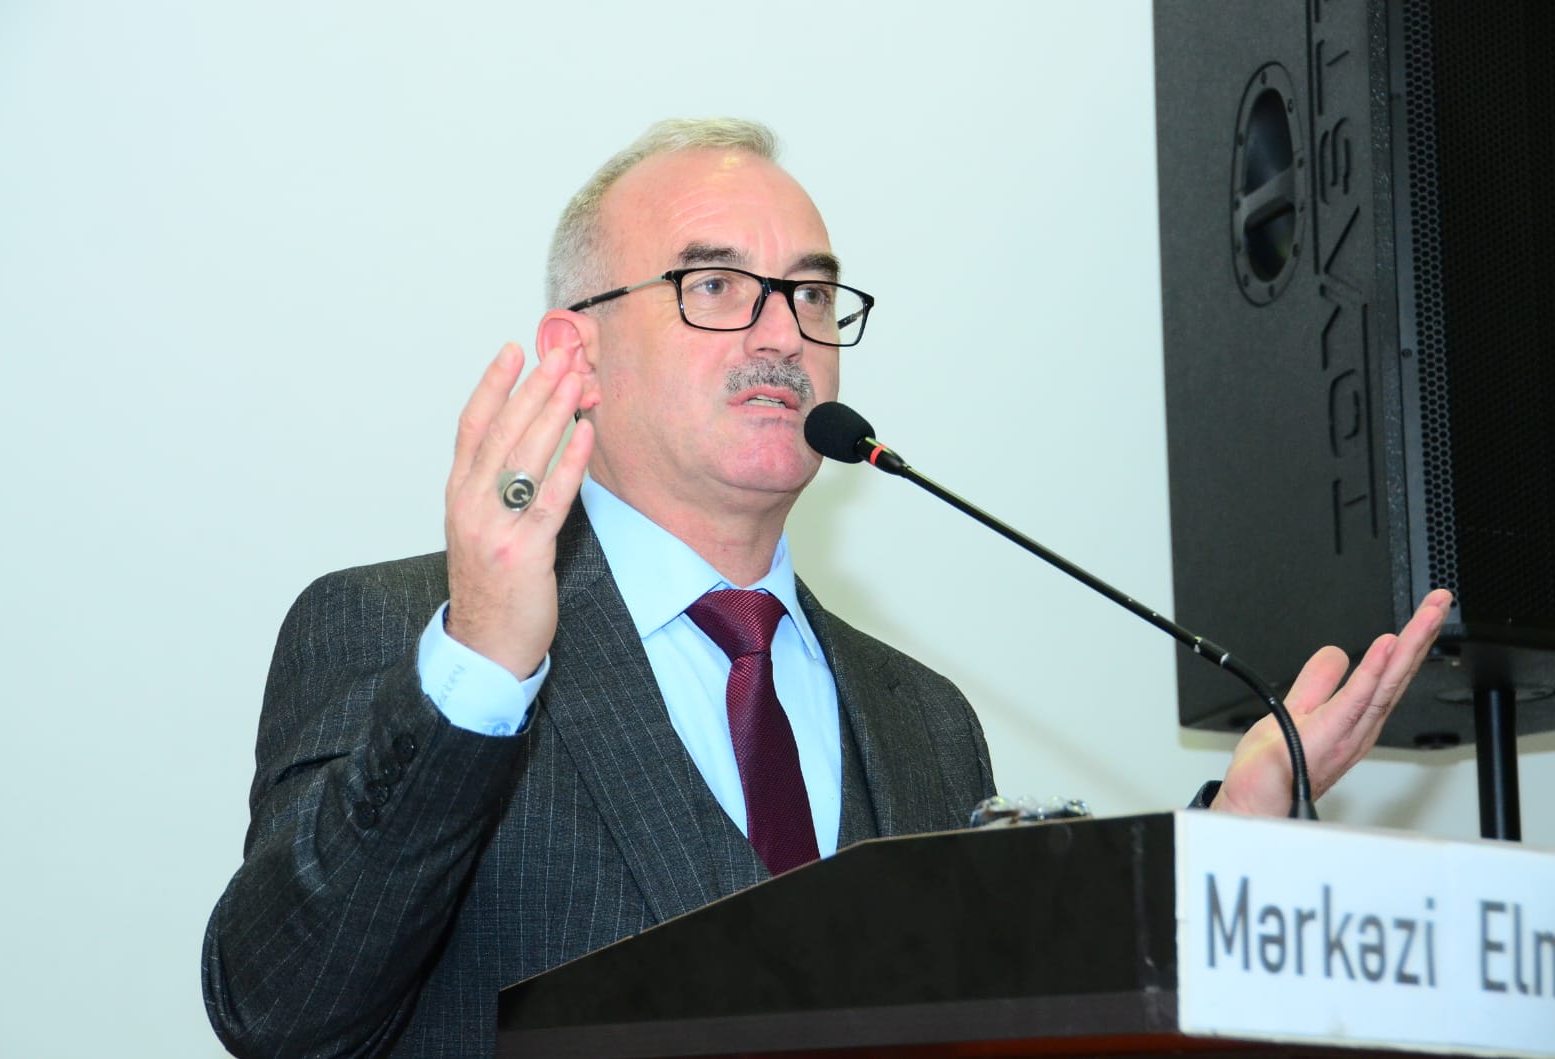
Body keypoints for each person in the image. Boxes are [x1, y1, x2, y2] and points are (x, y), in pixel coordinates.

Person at [201, 118, 1452, 1058]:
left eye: (809, 291)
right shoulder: (395, 633)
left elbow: (1002, 1016)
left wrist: (1218, 863)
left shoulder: (923, 718)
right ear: (576, 353)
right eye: (712, 286)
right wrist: (481, 666)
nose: (780, 332)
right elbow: (279, 1013)